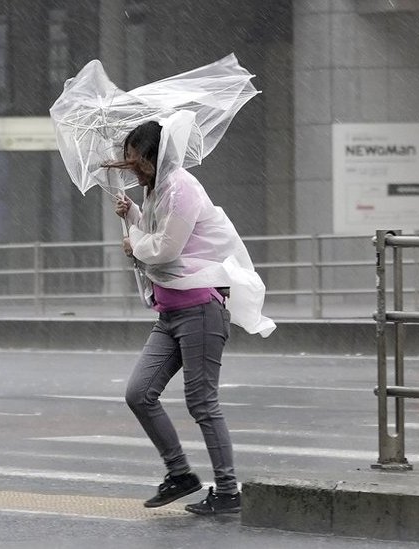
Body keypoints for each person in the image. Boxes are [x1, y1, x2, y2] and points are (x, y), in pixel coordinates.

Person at [108, 118, 275, 514]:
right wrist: (133, 215)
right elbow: (156, 234)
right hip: (170, 311)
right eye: (128, 161)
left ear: (156, 155)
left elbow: (167, 248)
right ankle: (181, 474)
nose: (133, 169)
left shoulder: (181, 187)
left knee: (202, 402)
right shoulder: (156, 190)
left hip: (199, 308)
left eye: (138, 161)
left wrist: (134, 242)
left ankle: (229, 492)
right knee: (139, 394)